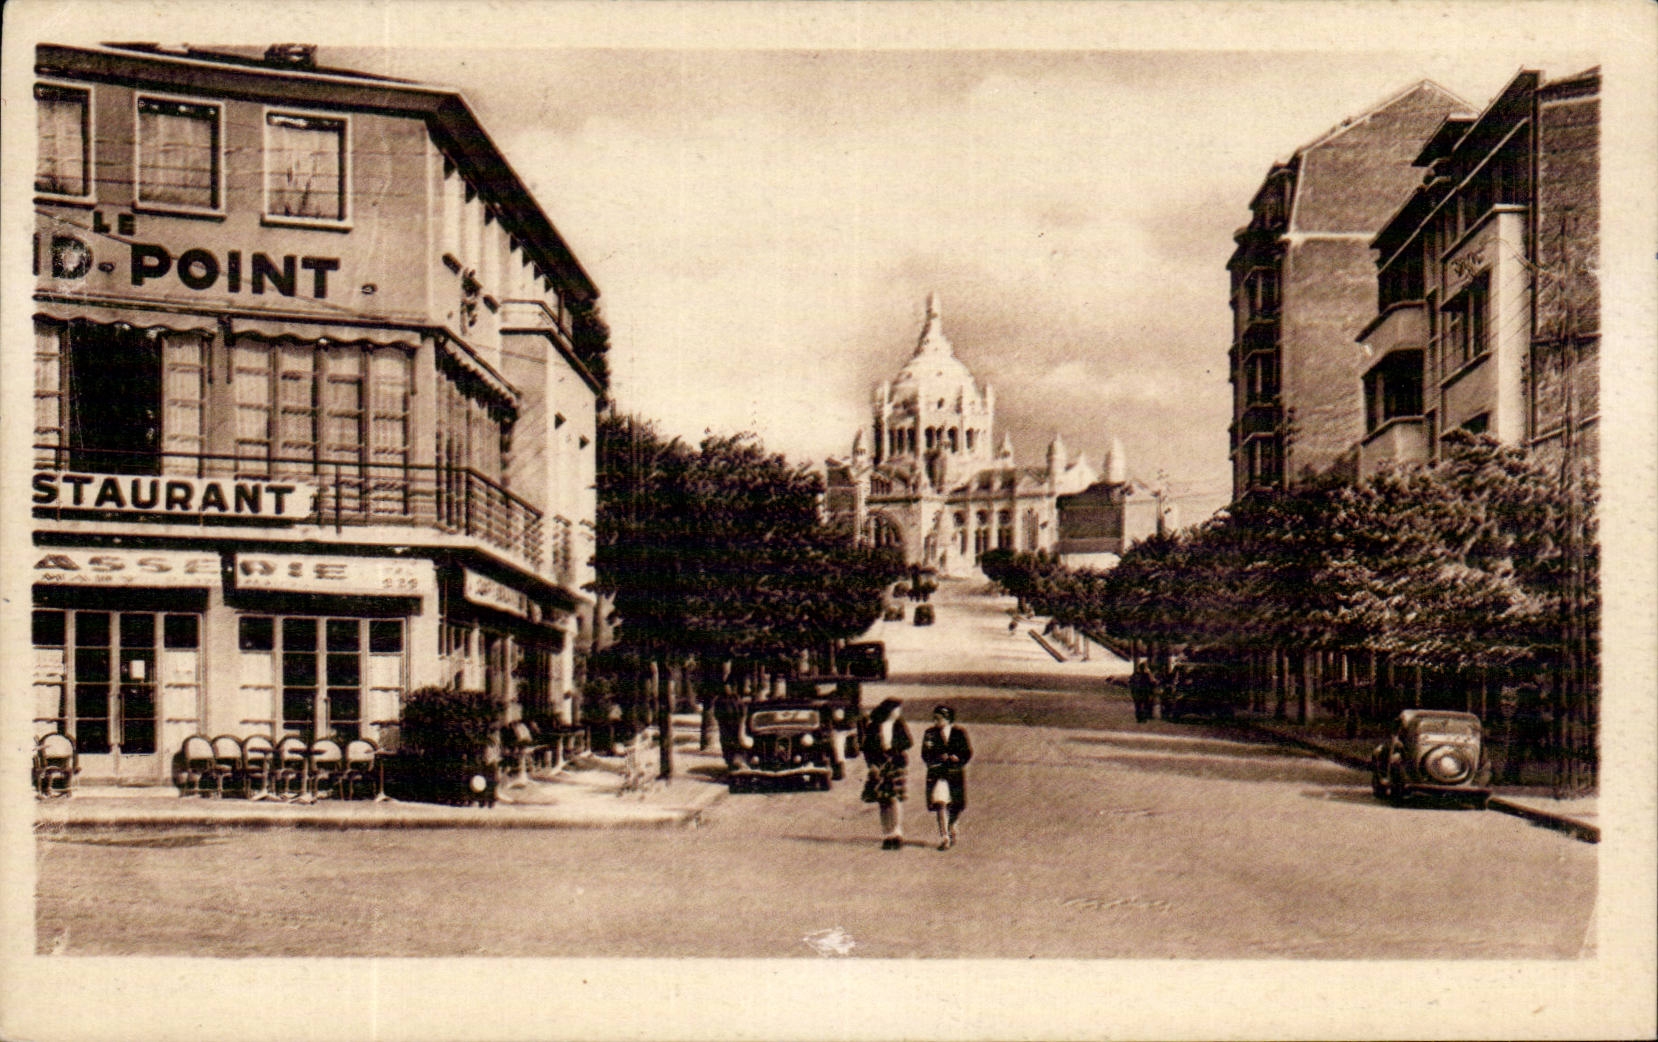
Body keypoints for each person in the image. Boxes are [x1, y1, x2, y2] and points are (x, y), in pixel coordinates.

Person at [860, 697, 912, 850]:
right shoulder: (874, 726)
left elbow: (908, 742)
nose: (898, 712)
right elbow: (867, 748)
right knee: (883, 800)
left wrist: (892, 748)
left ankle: (897, 832)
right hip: (879, 765)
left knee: (895, 798)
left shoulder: (899, 724)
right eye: (896, 709)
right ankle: (887, 833)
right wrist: (872, 765)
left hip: (895, 764)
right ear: (889, 710)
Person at [921, 704, 973, 850]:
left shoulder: (959, 733)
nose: (935, 721)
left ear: (947, 719)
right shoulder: (930, 733)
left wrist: (957, 758)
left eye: (938, 718)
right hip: (938, 774)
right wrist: (937, 758)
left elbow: (967, 752)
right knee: (940, 804)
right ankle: (944, 837)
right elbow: (925, 753)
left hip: (954, 774)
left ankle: (952, 827)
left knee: (955, 806)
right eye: (934, 718)